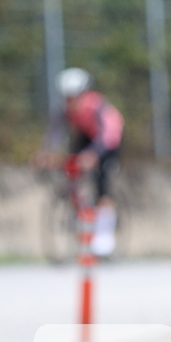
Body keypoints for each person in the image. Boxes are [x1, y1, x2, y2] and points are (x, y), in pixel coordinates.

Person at [42, 67, 124, 256]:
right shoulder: (65, 109)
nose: (69, 101)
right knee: (72, 165)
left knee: (101, 179)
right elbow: (54, 133)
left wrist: (93, 155)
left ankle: (105, 232)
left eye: (73, 96)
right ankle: (81, 207)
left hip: (108, 142)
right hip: (86, 138)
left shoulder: (97, 106)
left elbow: (107, 135)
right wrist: (45, 154)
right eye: (66, 97)